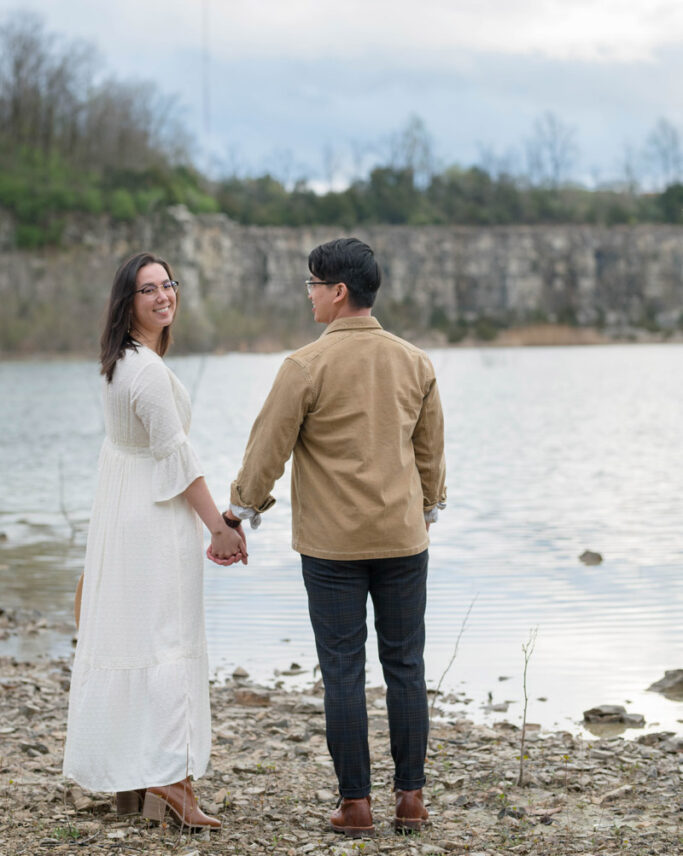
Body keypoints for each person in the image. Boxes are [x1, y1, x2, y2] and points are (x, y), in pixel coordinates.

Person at [223, 237, 446, 836]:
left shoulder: (305, 365)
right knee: (405, 666)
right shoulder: (416, 362)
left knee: (343, 670)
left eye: (313, 285)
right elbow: (431, 457)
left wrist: (238, 513)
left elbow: (267, 450)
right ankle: (412, 801)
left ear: (339, 291)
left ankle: (356, 806)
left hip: (332, 549)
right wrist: (427, 508)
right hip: (403, 540)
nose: (310, 296)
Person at [63, 251, 247, 830]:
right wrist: (218, 527)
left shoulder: (122, 362)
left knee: (135, 636)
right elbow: (178, 458)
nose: (164, 295)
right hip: (154, 520)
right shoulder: (145, 372)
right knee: (166, 639)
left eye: (169, 284)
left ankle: (134, 775)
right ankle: (169, 778)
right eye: (149, 289)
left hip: (126, 515)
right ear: (129, 301)